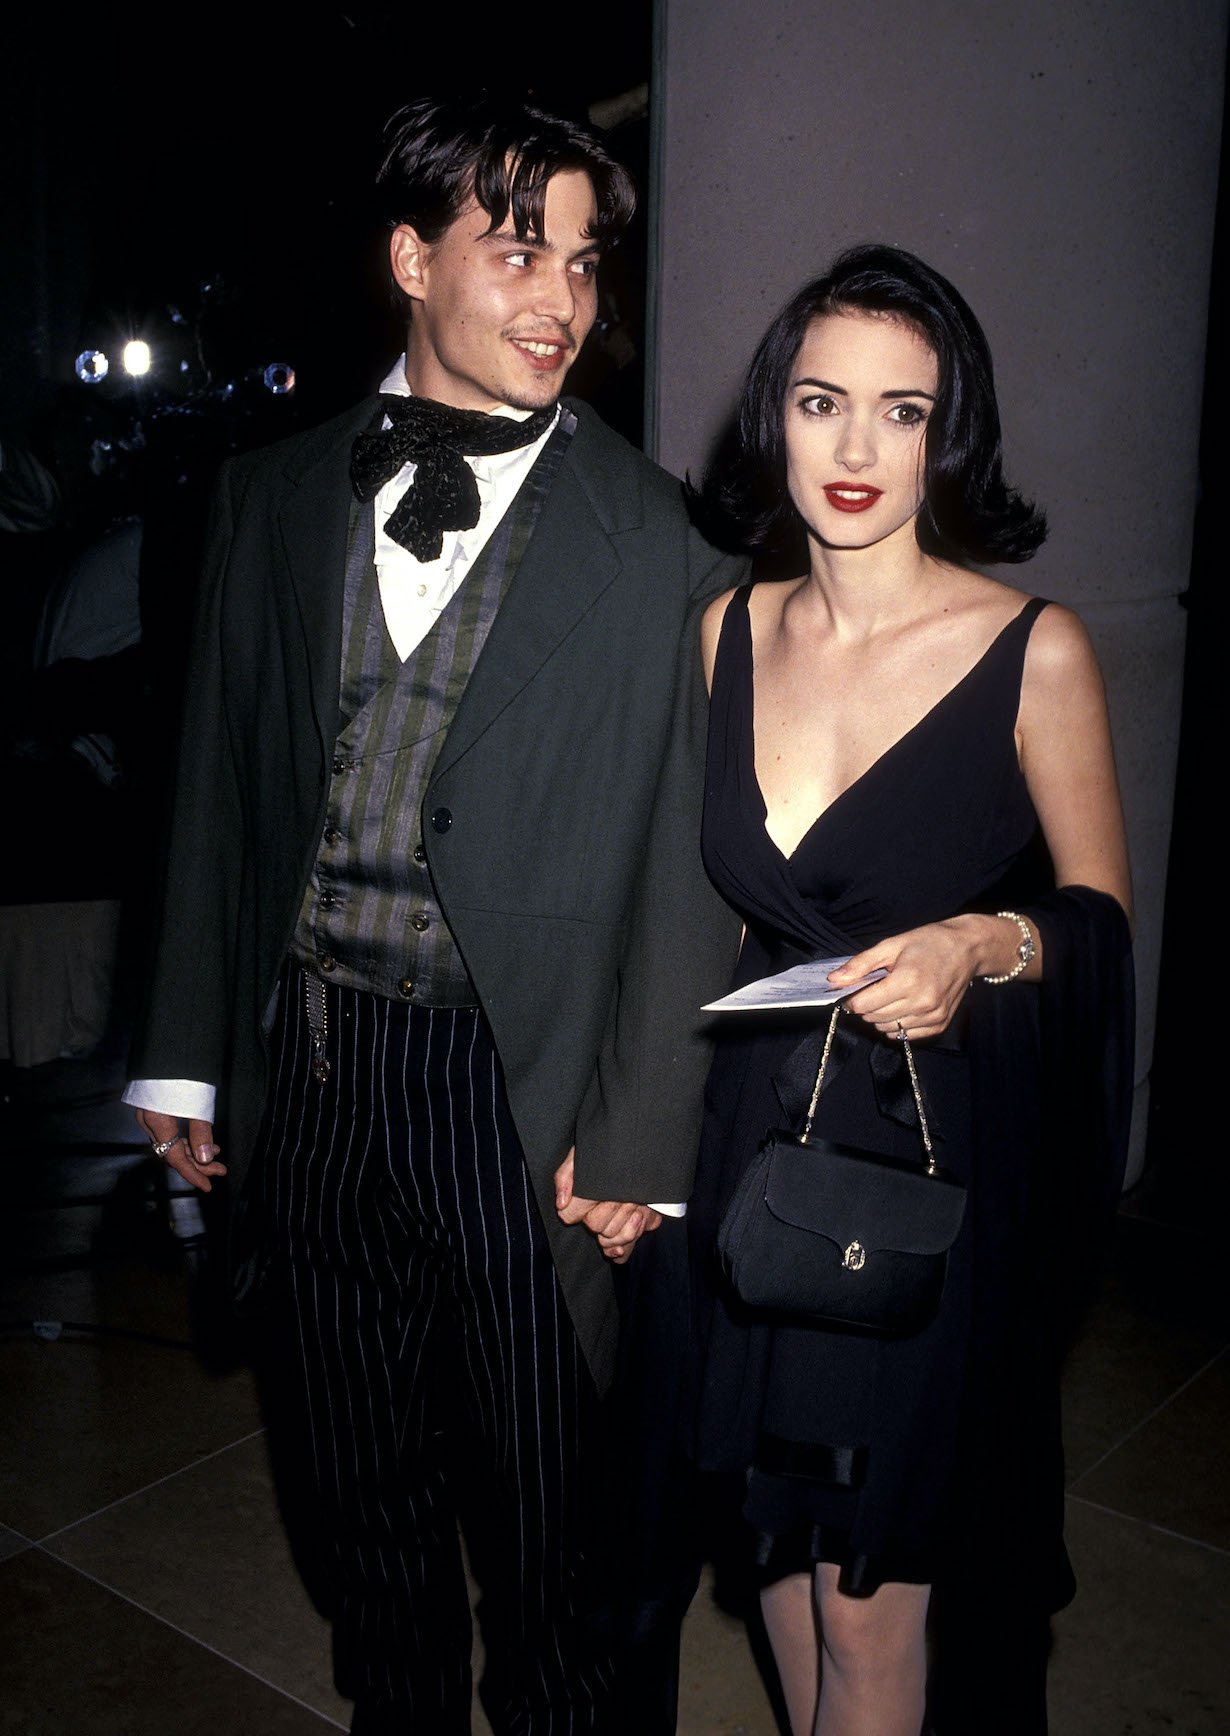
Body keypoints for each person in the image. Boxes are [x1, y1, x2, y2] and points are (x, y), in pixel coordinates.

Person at [122, 92, 740, 1735]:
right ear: (413, 257)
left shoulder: (663, 545)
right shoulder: (265, 496)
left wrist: (638, 1135)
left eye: (587, 264)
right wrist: (185, 1059)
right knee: (356, 1513)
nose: (561, 301)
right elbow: (216, 789)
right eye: (518, 248)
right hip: (311, 1073)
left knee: (554, 1541)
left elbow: (689, 870)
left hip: (513, 1097)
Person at [685, 245, 1134, 1736]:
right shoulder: (724, 634)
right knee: (767, 1566)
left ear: (949, 434)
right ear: (777, 418)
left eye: (900, 410)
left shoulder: (1030, 650)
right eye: (822, 403)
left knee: (869, 1597)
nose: (857, 448)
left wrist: (978, 943)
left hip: (915, 1169)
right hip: (748, 1150)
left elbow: (1096, 926)